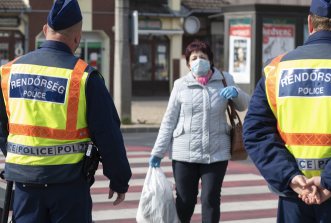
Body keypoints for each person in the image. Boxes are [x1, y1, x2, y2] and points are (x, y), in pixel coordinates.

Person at [0, 0, 132, 222]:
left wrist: (19, 157)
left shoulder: (9, 72)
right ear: (78, 37)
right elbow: (108, 134)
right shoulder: (85, 77)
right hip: (69, 187)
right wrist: (119, 179)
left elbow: (2, 129)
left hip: (24, 187)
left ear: (44, 30)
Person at [243, 0, 331, 222]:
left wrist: (290, 177)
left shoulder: (276, 69)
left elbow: (255, 131)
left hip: (294, 195)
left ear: (310, 23)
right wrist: (330, 183)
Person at [149, 40, 250, 223]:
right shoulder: (180, 85)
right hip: (184, 155)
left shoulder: (225, 79)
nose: (198, 61)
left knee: (210, 199)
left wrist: (236, 93)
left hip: (216, 152)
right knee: (185, 201)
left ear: (210, 61)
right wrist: (157, 152)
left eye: (202, 57)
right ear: (188, 64)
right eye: (193, 58)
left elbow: (244, 105)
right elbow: (169, 120)